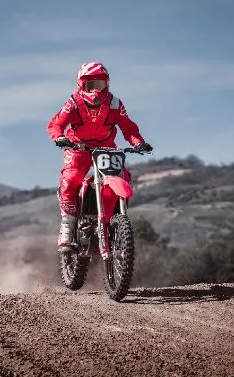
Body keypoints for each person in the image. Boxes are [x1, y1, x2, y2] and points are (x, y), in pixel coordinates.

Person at [46, 62, 153, 249]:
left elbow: (128, 127)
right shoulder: (73, 103)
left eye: (100, 85)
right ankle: (68, 225)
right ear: (81, 85)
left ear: (107, 84)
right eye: (90, 85)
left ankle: (110, 222)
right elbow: (56, 124)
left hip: (106, 149)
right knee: (70, 180)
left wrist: (138, 143)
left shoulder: (114, 103)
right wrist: (60, 137)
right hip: (78, 148)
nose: (95, 91)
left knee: (123, 178)